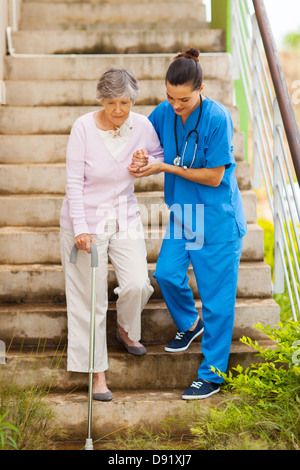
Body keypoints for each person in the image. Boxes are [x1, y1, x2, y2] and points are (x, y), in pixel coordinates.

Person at [129, 48, 247, 399]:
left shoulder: (217, 117)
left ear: (201, 88)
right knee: (165, 273)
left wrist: (163, 168)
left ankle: (212, 374)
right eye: (169, 96)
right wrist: (142, 157)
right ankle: (189, 324)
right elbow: (148, 143)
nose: (175, 105)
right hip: (185, 215)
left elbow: (213, 177)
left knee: (216, 302)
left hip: (217, 220)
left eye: (183, 98)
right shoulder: (165, 111)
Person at [60, 68, 164, 401]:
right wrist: (80, 228)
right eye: (110, 102)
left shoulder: (143, 125)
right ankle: (97, 375)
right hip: (86, 222)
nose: (118, 110)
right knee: (90, 300)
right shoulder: (83, 128)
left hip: (124, 216)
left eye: (124, 102)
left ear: (133, 100)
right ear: (100, 100)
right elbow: (74, 182)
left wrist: (144, 161)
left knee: (137, 283)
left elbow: (158, 157)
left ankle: (124, 329)